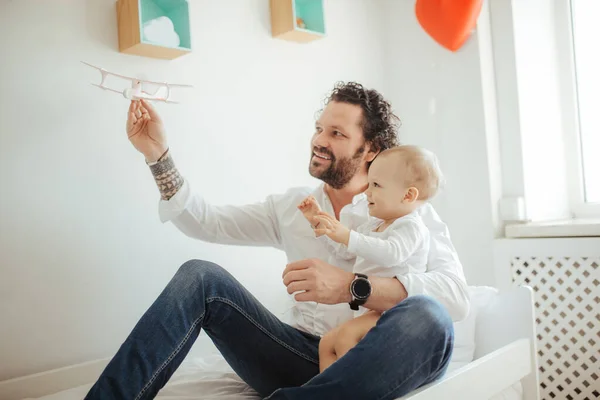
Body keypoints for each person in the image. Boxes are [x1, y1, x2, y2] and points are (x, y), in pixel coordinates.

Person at [84, 82, 469, 400]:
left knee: (431, 318)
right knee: (199, 277)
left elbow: (455, 296)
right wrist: (158, 155)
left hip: (368, 359)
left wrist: (352, 287)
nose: (319, 140)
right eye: (319, 128)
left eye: (336, 134)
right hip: (297, 354)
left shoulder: (410, 212)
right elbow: (205, 222)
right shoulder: (290, 207)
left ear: (370, 150)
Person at [297, 144, 445, 372]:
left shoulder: (411, 226)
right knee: (327, 342)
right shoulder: (374, 224)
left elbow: (391, 254)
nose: (367, 192)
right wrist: (319, 222)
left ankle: (351, 388)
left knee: (346, 336)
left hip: (396, 312)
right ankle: (328, 389)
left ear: (408, 195)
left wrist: (348, 235)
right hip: (374, 311)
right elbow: (345, 249)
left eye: (376, 185)